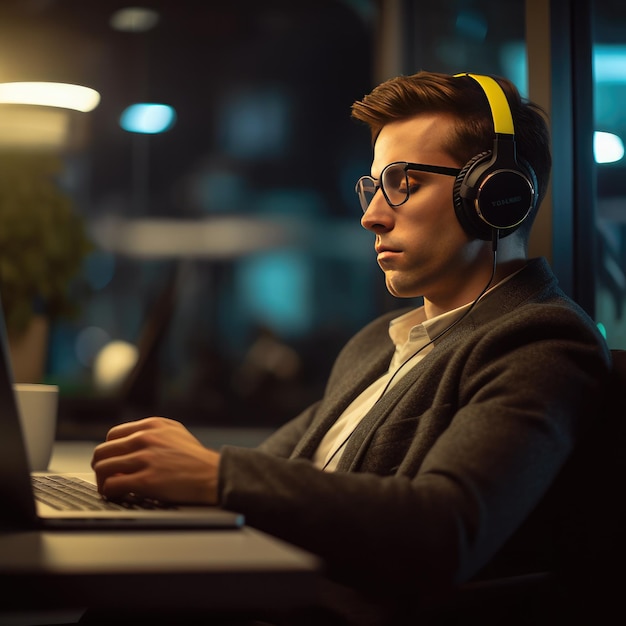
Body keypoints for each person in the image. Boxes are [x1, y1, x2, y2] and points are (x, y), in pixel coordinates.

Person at [90, 71, 611, 625]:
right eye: (373, 187)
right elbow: (271, 472)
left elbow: (446, 528)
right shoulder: (375, 345)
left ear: (494, 194)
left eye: (402, 183)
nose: (372, 215)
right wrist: (166, 473)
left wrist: (216, 477)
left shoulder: (542, 339)